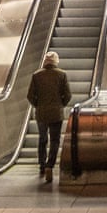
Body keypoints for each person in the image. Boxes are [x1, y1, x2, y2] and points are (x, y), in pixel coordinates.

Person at [27, 50, 72, 183]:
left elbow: (30, 95)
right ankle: (49, 165)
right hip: (56, 113)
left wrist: (38, 105)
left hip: (41, 113)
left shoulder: (36, 75)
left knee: (42, 139)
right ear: (56, 61)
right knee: (55, 140)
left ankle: (41, 164)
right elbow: (68, 95)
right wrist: (61, 104)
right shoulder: (62, 75)